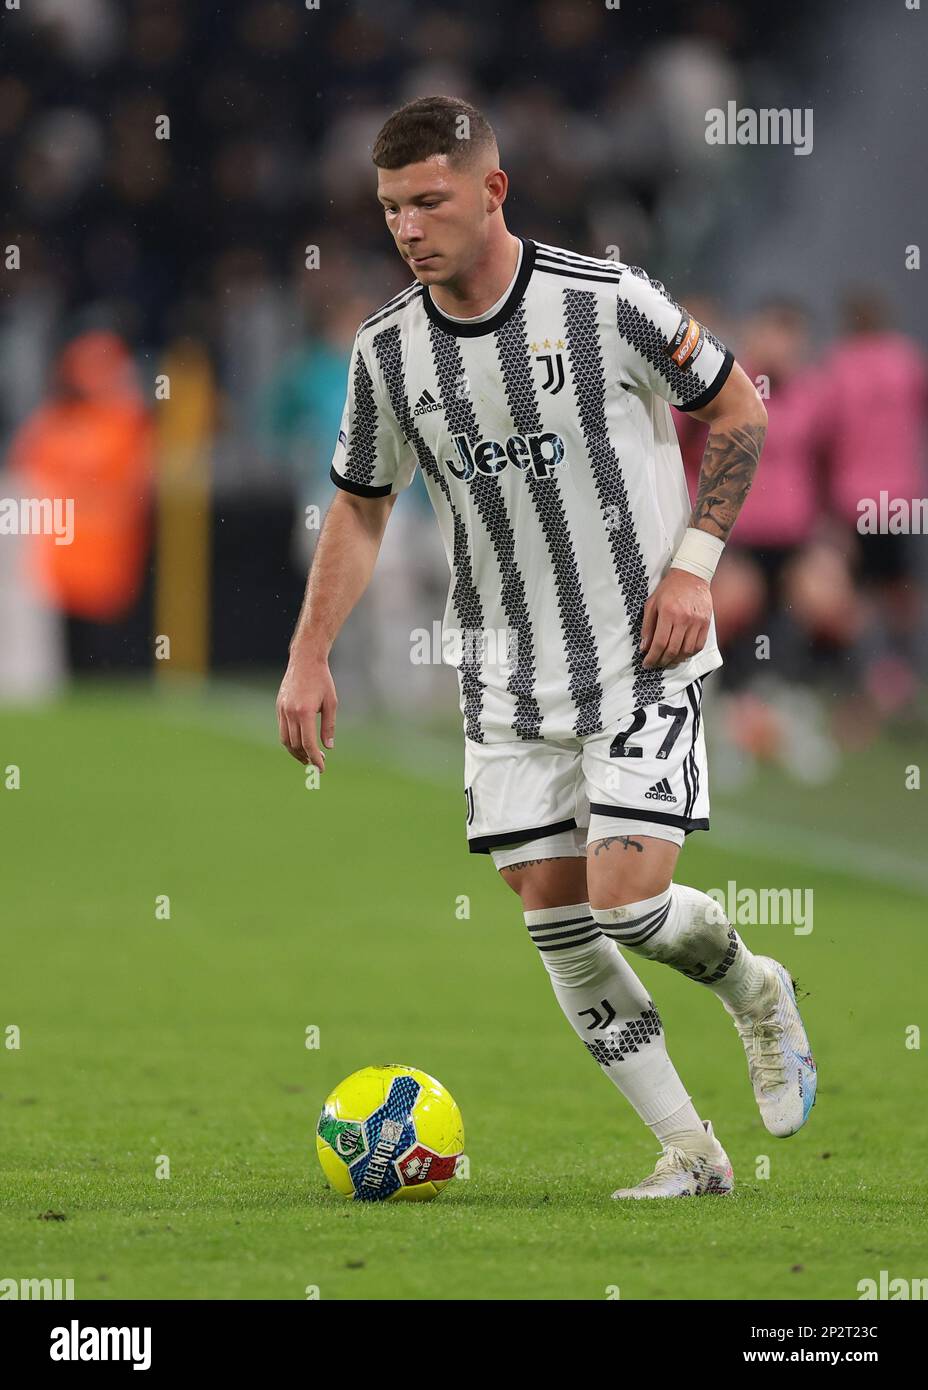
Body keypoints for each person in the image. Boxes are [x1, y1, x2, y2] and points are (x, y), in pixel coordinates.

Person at [276, 95, 816, 1199]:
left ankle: (758, 992)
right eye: (390, 210)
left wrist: (694, 566)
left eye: (429, 200)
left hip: (638, 653)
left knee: (627, 902)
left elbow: (741, 411)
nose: (410, 227)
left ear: (492, 190)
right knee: (557, 924)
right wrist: (308, 653)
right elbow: (362, 504)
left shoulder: (605, 300)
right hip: (505, 676)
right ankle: (690, 1152)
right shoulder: (387, 351)